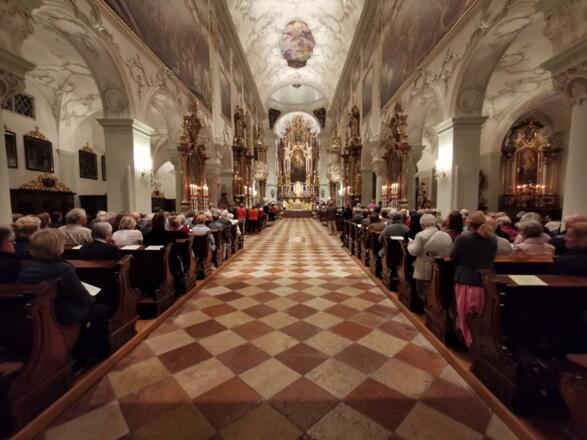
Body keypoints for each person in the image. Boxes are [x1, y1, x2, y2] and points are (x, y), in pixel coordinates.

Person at [18, 229, 110, 364]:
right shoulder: (63, 268)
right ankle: (88, 353)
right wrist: (91, 298)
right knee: (100, 310)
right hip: (60, 312)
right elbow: (82, 298)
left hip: (36, 310)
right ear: (56, 247)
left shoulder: (26, 266)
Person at [450, 211, 497, 347]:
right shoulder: (492, 239)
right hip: (486, 280)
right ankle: (480, 340)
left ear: (469, 224)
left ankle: (468, 341)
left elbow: (453, 257)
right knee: (481, 312)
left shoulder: (463, 239)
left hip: (466, 279)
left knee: (465, 312)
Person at [407, 214, 453, 306]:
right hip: (443, 270)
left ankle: (424, 307)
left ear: (423, 225)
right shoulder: (446, 235)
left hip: (424, 270)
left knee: (422, 292)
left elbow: (415, 252)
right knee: (439, 294)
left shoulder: (420, 235)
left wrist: (410, 245)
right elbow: (450, 251)